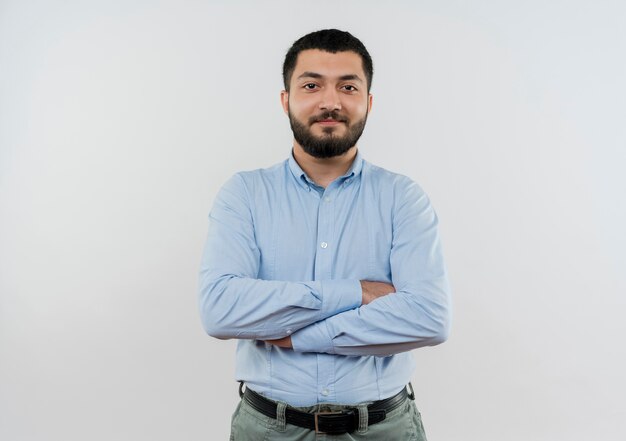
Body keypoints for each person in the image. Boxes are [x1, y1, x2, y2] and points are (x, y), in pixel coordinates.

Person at [199, 29, 451, 440]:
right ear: (286, 100)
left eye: (348, 87)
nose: (330, 102)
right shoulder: (243, 194)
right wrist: (358, 292)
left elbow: (430, 318)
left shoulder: (403, 197)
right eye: (311, 85)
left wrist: (295, 336)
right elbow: (220, 310)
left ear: (368, 102)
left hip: (383, 429)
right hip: (268, 430)